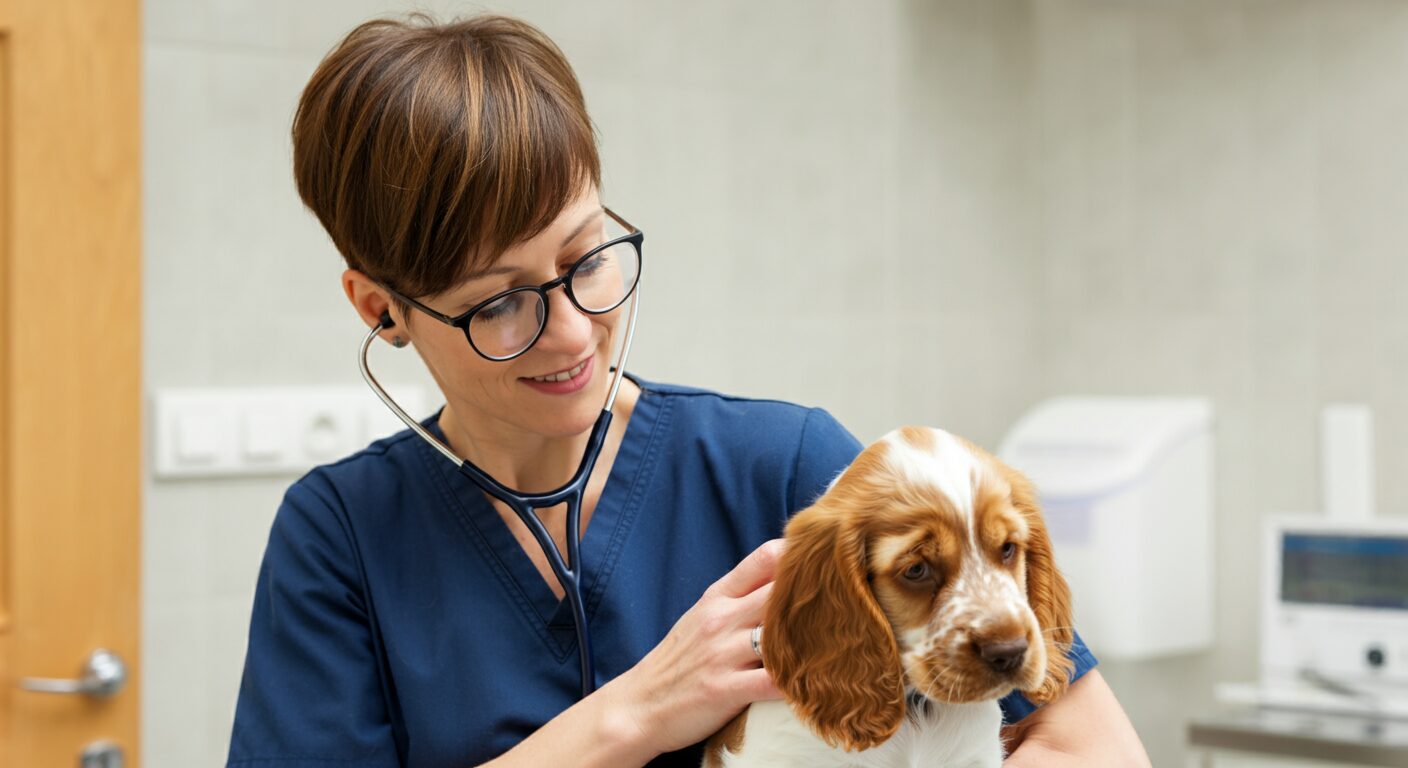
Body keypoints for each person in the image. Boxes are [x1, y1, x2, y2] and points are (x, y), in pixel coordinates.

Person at [227, 13, 1149, 768]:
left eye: (587, 256)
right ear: (381, 308)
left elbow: (1091, 745)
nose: (576, 330)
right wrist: (629, 717)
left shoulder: (785, 468)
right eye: (501, 303)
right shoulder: (340, 539)